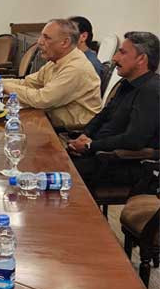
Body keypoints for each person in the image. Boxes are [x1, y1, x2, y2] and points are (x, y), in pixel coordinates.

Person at [67, 31, 160, 190]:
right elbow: (103, 115)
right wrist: (85, 135)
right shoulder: (127, 83)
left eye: (122, 52)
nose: (115, 58)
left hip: (121, 164)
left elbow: (134, 140)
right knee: (48, 159)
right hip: (97, 153)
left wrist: (91, 146)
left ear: (141, 59)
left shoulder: (151, 91)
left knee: (55, 173)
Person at [0, 19, 101, 129]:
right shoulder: (56, 61)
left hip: (70, 133)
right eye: (41, 36)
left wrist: (2, 86)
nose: (40, 42)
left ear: (65, 42)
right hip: (48, 121)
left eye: (47, 38)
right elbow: (27, 83)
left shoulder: (76, 68)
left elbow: (42, 99)